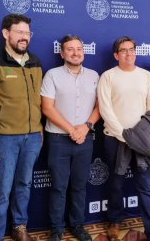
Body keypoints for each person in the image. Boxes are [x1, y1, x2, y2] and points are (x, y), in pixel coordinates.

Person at [0, 14, 43, 241]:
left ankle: (19, 227)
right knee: (1, 191)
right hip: (4, 139)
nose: (24, 37)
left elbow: (37, 100)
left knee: (24, 184)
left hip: (32, 137)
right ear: (6, 33)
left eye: (27, 33)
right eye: (19, 32)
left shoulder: (35, 62)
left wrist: (39, 130)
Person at [97, 36, 150, 241]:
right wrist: (123, 134)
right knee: (115, 183)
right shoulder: (108, 76)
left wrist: (138, 134)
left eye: (132, 49)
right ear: (116, 55)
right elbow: (105, 109)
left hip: (142, 139)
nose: (129, 53)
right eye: (123, 50)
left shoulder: (146, 76)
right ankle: (114, 221)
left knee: (146, 184)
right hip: (115, 138)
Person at [41, 35, 100, 241]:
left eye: (79, 48)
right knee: (58, 186)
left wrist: (85, 127)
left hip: (85, 139)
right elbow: (47, 108)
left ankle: (77, 225)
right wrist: (72, 130)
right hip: (58, 140)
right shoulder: (52, 75)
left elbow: (99, 107)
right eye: (70, 49)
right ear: (62, 53)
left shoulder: (94, 75)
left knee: (79, 185)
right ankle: (56, 229)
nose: (76, 52)